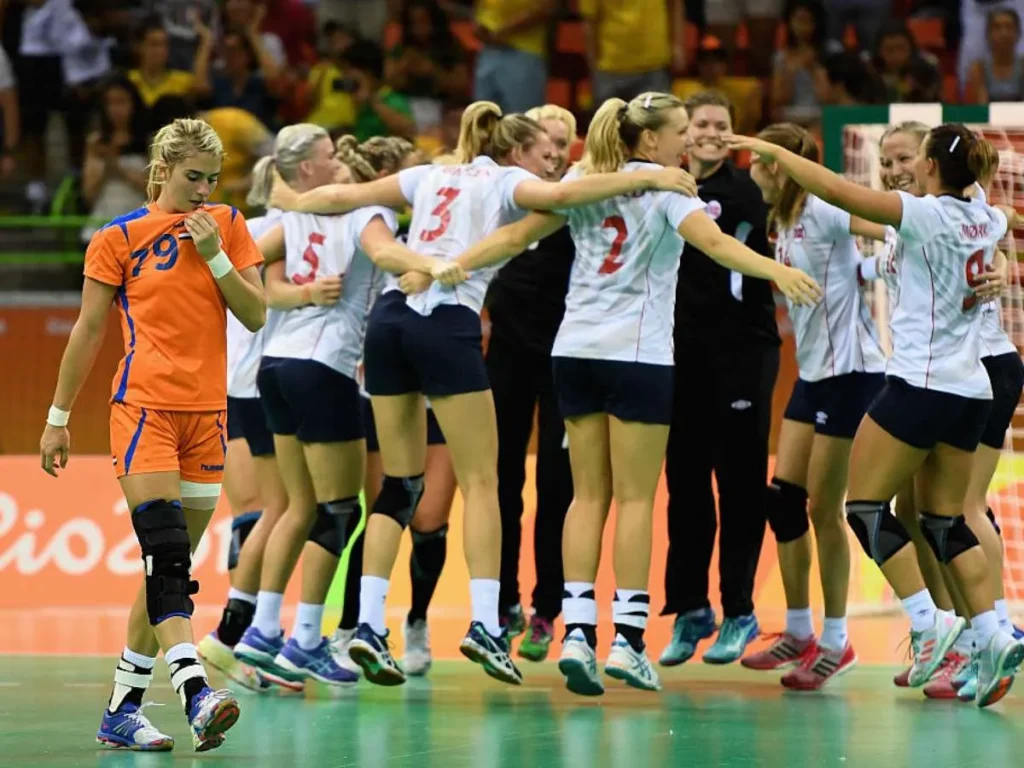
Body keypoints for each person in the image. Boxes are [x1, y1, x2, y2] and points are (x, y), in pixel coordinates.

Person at [268, 100, 703, 687]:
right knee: (483, 481)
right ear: (516, 150)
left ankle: (367, 625)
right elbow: (559, 200)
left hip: (391, 318)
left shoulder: (431, 174)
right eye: (542, 151)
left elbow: (348, 197)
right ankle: (485, 625)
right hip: (447, 321)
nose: (551, 161)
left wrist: (293, 201)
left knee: (399, 486)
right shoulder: (509, 179)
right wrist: (649, 173)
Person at [439, 92, 821, 696]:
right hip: (637, 356)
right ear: (650, 141)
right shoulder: (669, 189)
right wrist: (780, 273)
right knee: (637, 499)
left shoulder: (587, 180)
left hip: (574, 352)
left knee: (585, 496)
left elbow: (515, 239)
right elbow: (718, 245)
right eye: (677, 134)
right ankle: (628, 641)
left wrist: (451, 266)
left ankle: (578, 636)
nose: (686, 144)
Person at [729, 122, 1024, 708]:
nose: (898, 168)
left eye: (910, 157)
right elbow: (1001, 226)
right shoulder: (983, 216)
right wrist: (1001, 268)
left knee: (863, 508)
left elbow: (839, 193)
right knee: (943, 521)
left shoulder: (924, 214)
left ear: (932, 166)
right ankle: (990, 632)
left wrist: (776, 152)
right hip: (971, 388)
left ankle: (928, 623)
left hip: (920, 384)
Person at [39, 117, 265, 750]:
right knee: (166, 557)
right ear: (162, 169)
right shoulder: (117, 238)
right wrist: (57, 419)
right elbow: (87, 331)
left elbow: (254, 313)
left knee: (166, 573)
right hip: (144, 411)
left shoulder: (226, 226)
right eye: (193, 177)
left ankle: (121, 711)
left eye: (213, 180)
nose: (203, 190)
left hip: (207, 417)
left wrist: (214, 253)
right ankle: (197, 694)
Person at [233, 130, 428, 689]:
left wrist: (285, 293)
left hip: (273, 367)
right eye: (331, 157)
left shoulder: (290, 219)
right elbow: (386, 255)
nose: (338, 161)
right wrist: (431, 267)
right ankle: (305, 640)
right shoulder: (368, 212)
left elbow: (240, 260)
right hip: (325, 368)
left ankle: (263, 629)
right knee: (338, 511)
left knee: (299, 506)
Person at [737, 122, 888, 690]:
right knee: (783, 500)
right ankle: (798, 631)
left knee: (827, 510)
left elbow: (885, 227)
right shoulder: (784, 216)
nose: (751, 172)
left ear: (777, 166)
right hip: (814, 374)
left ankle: (836, 639)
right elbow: (846, 267)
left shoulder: (823, 207)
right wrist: (863, 270)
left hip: (852, 374)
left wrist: (897, 253)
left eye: (757, 162)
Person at [658, 90, 781, 669]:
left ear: (734, 135)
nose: (710, 131)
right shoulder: (664, 188)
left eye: (721, 123)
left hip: (741, 355)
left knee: (739, 485)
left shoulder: (746, 191)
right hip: (677, 356)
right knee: (684, 484)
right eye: (701, 123)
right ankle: (689, 609)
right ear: (682, 133)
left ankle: (739, 609)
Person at [486, 104, 577, 661]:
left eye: (564, 142)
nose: (555, 151)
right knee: (499, 483)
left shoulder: (579, 202)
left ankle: (547, 611)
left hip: (565, 359)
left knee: (558, 487)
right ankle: (501, 603)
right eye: (546, 141)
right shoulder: (501, 197)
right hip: (507, 358)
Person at [195, 192, 289, 693]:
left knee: (256, 513)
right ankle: (243, 636)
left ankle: (247, 635)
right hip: (253, 383)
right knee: (271, 511)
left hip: (232, 383)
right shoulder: (272, 229)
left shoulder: (238, 225)